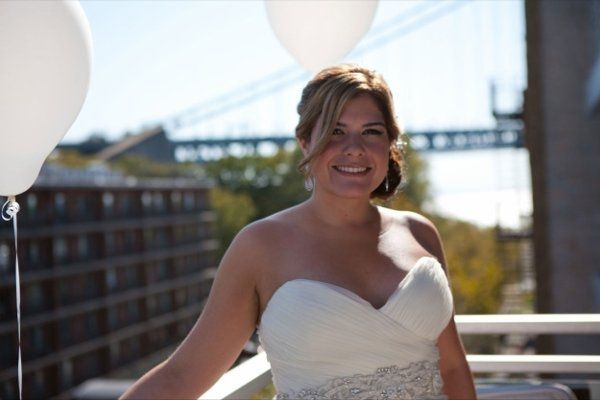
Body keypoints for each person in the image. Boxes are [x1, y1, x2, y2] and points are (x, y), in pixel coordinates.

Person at [120, 64, 477, 400]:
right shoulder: (259, 246)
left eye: (372, 132)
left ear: (390, 144)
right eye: (335, 131)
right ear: (305, 141)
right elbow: (181, 376)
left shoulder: (421, 233)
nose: (355, 148)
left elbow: (452, 367)